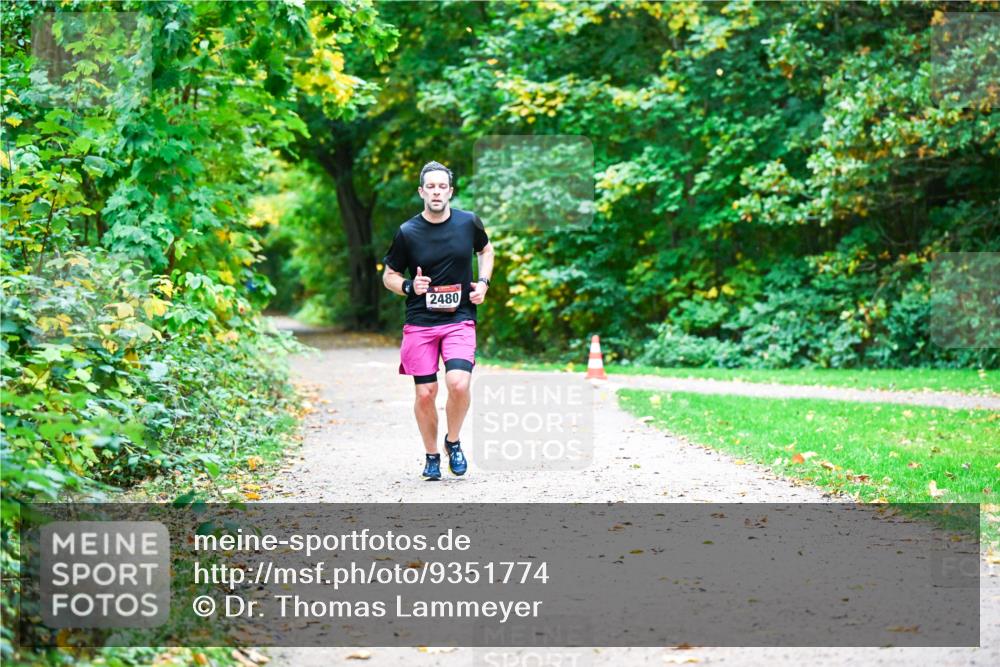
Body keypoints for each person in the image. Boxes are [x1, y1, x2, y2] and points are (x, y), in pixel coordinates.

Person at [382, 161, 495, 480]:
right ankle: (431, 455)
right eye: (430, 186)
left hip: (459, 318)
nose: (436, 191)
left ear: (450, 191)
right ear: (421, 192)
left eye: (441, 186)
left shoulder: (468, 223)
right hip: (420, 321)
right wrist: (407, 286)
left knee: (458, 383)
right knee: (425, 393)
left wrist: (483, 284)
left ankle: (453, 442)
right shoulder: (407, 232)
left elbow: (486, 251)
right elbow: (389, 275)